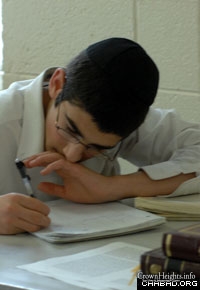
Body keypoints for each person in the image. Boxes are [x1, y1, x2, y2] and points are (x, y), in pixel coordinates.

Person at [0, 37, 199, 235]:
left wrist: (111, 187)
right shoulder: (5, 116)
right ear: (57, 84)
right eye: (70, 130)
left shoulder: (122, 118)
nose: (73, 156)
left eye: (97, 148)